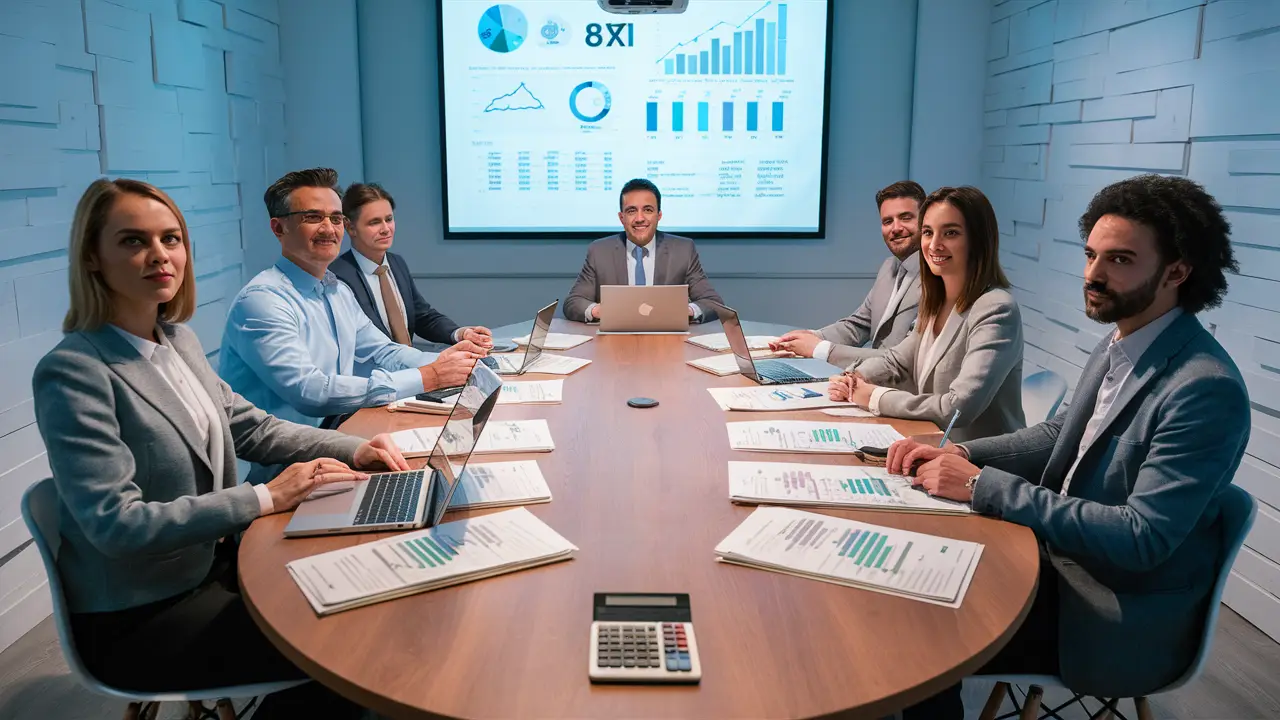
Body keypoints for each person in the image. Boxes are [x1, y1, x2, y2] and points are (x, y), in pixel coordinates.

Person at [32, 178, 414, 717]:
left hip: (216, 565)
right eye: (132, 241)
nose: (159, 255)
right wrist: (264, 499)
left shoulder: (177, 340)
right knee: (354, 644)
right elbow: (116, 525)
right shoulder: (74, 371)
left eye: (171, 239)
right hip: (147, 614)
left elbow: (252, 427)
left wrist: (354, 448)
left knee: (381, 587)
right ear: (92, 258)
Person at [890, 175, 1250, 719]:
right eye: (1090, 255)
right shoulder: (1124, 337)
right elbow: (1062, 434)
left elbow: (1141, 537)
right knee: (899, 573)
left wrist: (984, 487)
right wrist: (966, 456)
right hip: (1056, 562)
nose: (1092, 275)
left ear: (1177, 272)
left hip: (1108, 610)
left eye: (1119, 260)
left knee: (920, 625)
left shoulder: (1205, 388)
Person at [218, 169, 483, 457]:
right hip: (279, 463)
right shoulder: (262, 301)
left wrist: (450, 363)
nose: (329, 228)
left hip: (337, 438)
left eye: (335, 218)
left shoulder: (336, 290)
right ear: (279, 228)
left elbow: (385, 352)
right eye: (313, 217)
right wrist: (429, 377)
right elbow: (311, 392)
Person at [828, 186, 1025, 443]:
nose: (934, 245)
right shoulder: (935, 302)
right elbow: (896, 362)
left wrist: (875, 397)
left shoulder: (996, 308)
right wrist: (855, 378)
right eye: (928, 232)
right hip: (929, 445)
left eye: (950, 233)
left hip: (976, 463)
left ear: (978, 239)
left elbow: (957, 408)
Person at [773, 180, 925, 366]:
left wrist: (820, 349)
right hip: (868, 378)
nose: (896, 228)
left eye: (906, 217)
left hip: (902, 388)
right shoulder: (889, 266)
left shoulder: (940, 277)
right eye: (887, 221)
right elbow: (859, 325)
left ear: (925, 221)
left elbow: (905, 359)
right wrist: (812, 336)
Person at [331, 182, 494, 351]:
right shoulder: (337, 277)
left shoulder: (396, 263)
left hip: (411, 368)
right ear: (350, 227)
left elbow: (422, 316)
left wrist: (460, 333)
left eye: (389, 219)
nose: (386, 229)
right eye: (374, 222)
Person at [564, 178, 724, 323]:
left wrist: (688, 311)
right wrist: (596, 310)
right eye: (631, 211)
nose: (640, 218)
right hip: (613, 343)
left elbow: (712, 302)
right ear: (621, 218)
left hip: (668, 343)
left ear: (658, 215)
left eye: (647, 210)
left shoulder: (683, 250)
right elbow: (574, 301)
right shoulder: (599, 251)